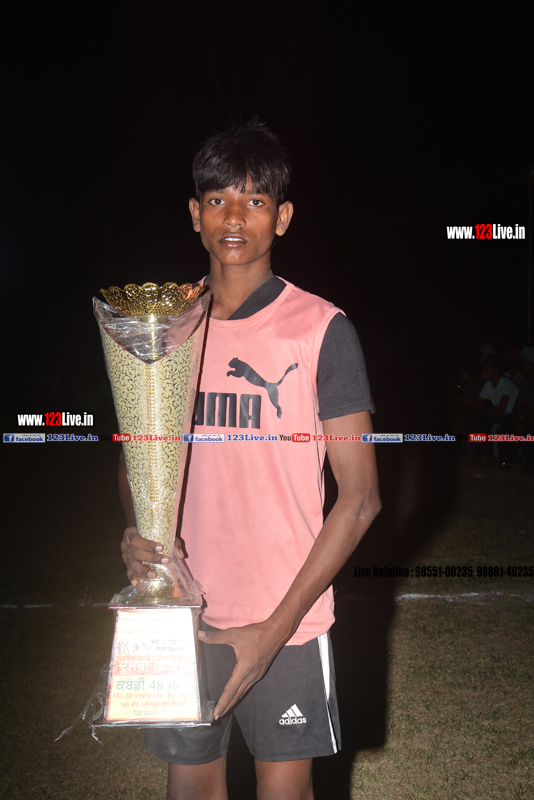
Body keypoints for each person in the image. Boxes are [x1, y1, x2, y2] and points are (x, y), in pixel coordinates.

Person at [119, 120, 381, 800]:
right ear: (194, 214)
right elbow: (138, 460)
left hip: (287, 622)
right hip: (183, 611)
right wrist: (139, 531)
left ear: (282, 217)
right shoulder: (163, 329)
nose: (234, 217)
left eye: (254, 200)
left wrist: (274, 630)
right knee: (191, 788)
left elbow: (360, 498)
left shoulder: (321, 329)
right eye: (217, 199)